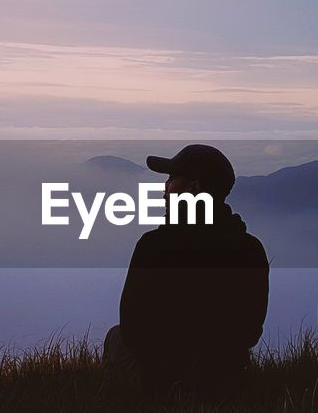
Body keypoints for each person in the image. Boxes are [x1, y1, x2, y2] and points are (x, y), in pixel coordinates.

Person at [103, 144, 269, 395]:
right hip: (224, 382)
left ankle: (121, 406)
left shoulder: (154, 246)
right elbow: (250, 332)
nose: (165, 188)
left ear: (194, 187)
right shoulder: (251, 249)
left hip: (164, 384)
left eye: (171, 179)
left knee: (115, 337)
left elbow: (132, 329)